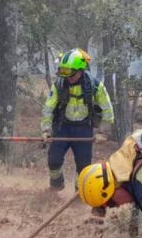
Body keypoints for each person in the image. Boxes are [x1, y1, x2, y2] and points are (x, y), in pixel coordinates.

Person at [41, 49, 114, 191]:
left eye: (69, 72)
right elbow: (48, 109)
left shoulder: (95, 86)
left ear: (80, 70)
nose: (66, 76)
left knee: (83, 167)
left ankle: (78, 195)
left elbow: (108, 111)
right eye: (63, 71)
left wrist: (103, 133)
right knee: (53, 161)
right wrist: (46, 130)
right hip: (63, 127)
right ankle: (56, 186)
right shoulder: (59, 86)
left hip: (83, 129)